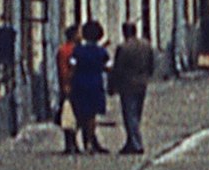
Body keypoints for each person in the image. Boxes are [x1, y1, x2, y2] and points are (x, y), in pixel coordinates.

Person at [109, 20, 158, 154]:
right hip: (142, 84)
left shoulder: (123, 48)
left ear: (124, 32)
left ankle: (136, 144)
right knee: (137, 114)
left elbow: (117, 69)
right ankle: (130, 142)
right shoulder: (146, 45)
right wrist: (147, 76)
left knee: (129, 115)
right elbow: (152, 63)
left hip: (127, 85)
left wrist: (112, 85)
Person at [66, 20, 112, 152]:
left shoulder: (78, 50)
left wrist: (69, 82)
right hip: (95, 84)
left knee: (80, 113)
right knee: (92, 116)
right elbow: (108, 67)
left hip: (79, 84)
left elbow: (72, 66)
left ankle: (76, 142)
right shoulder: (101, 51)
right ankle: (90, 143)